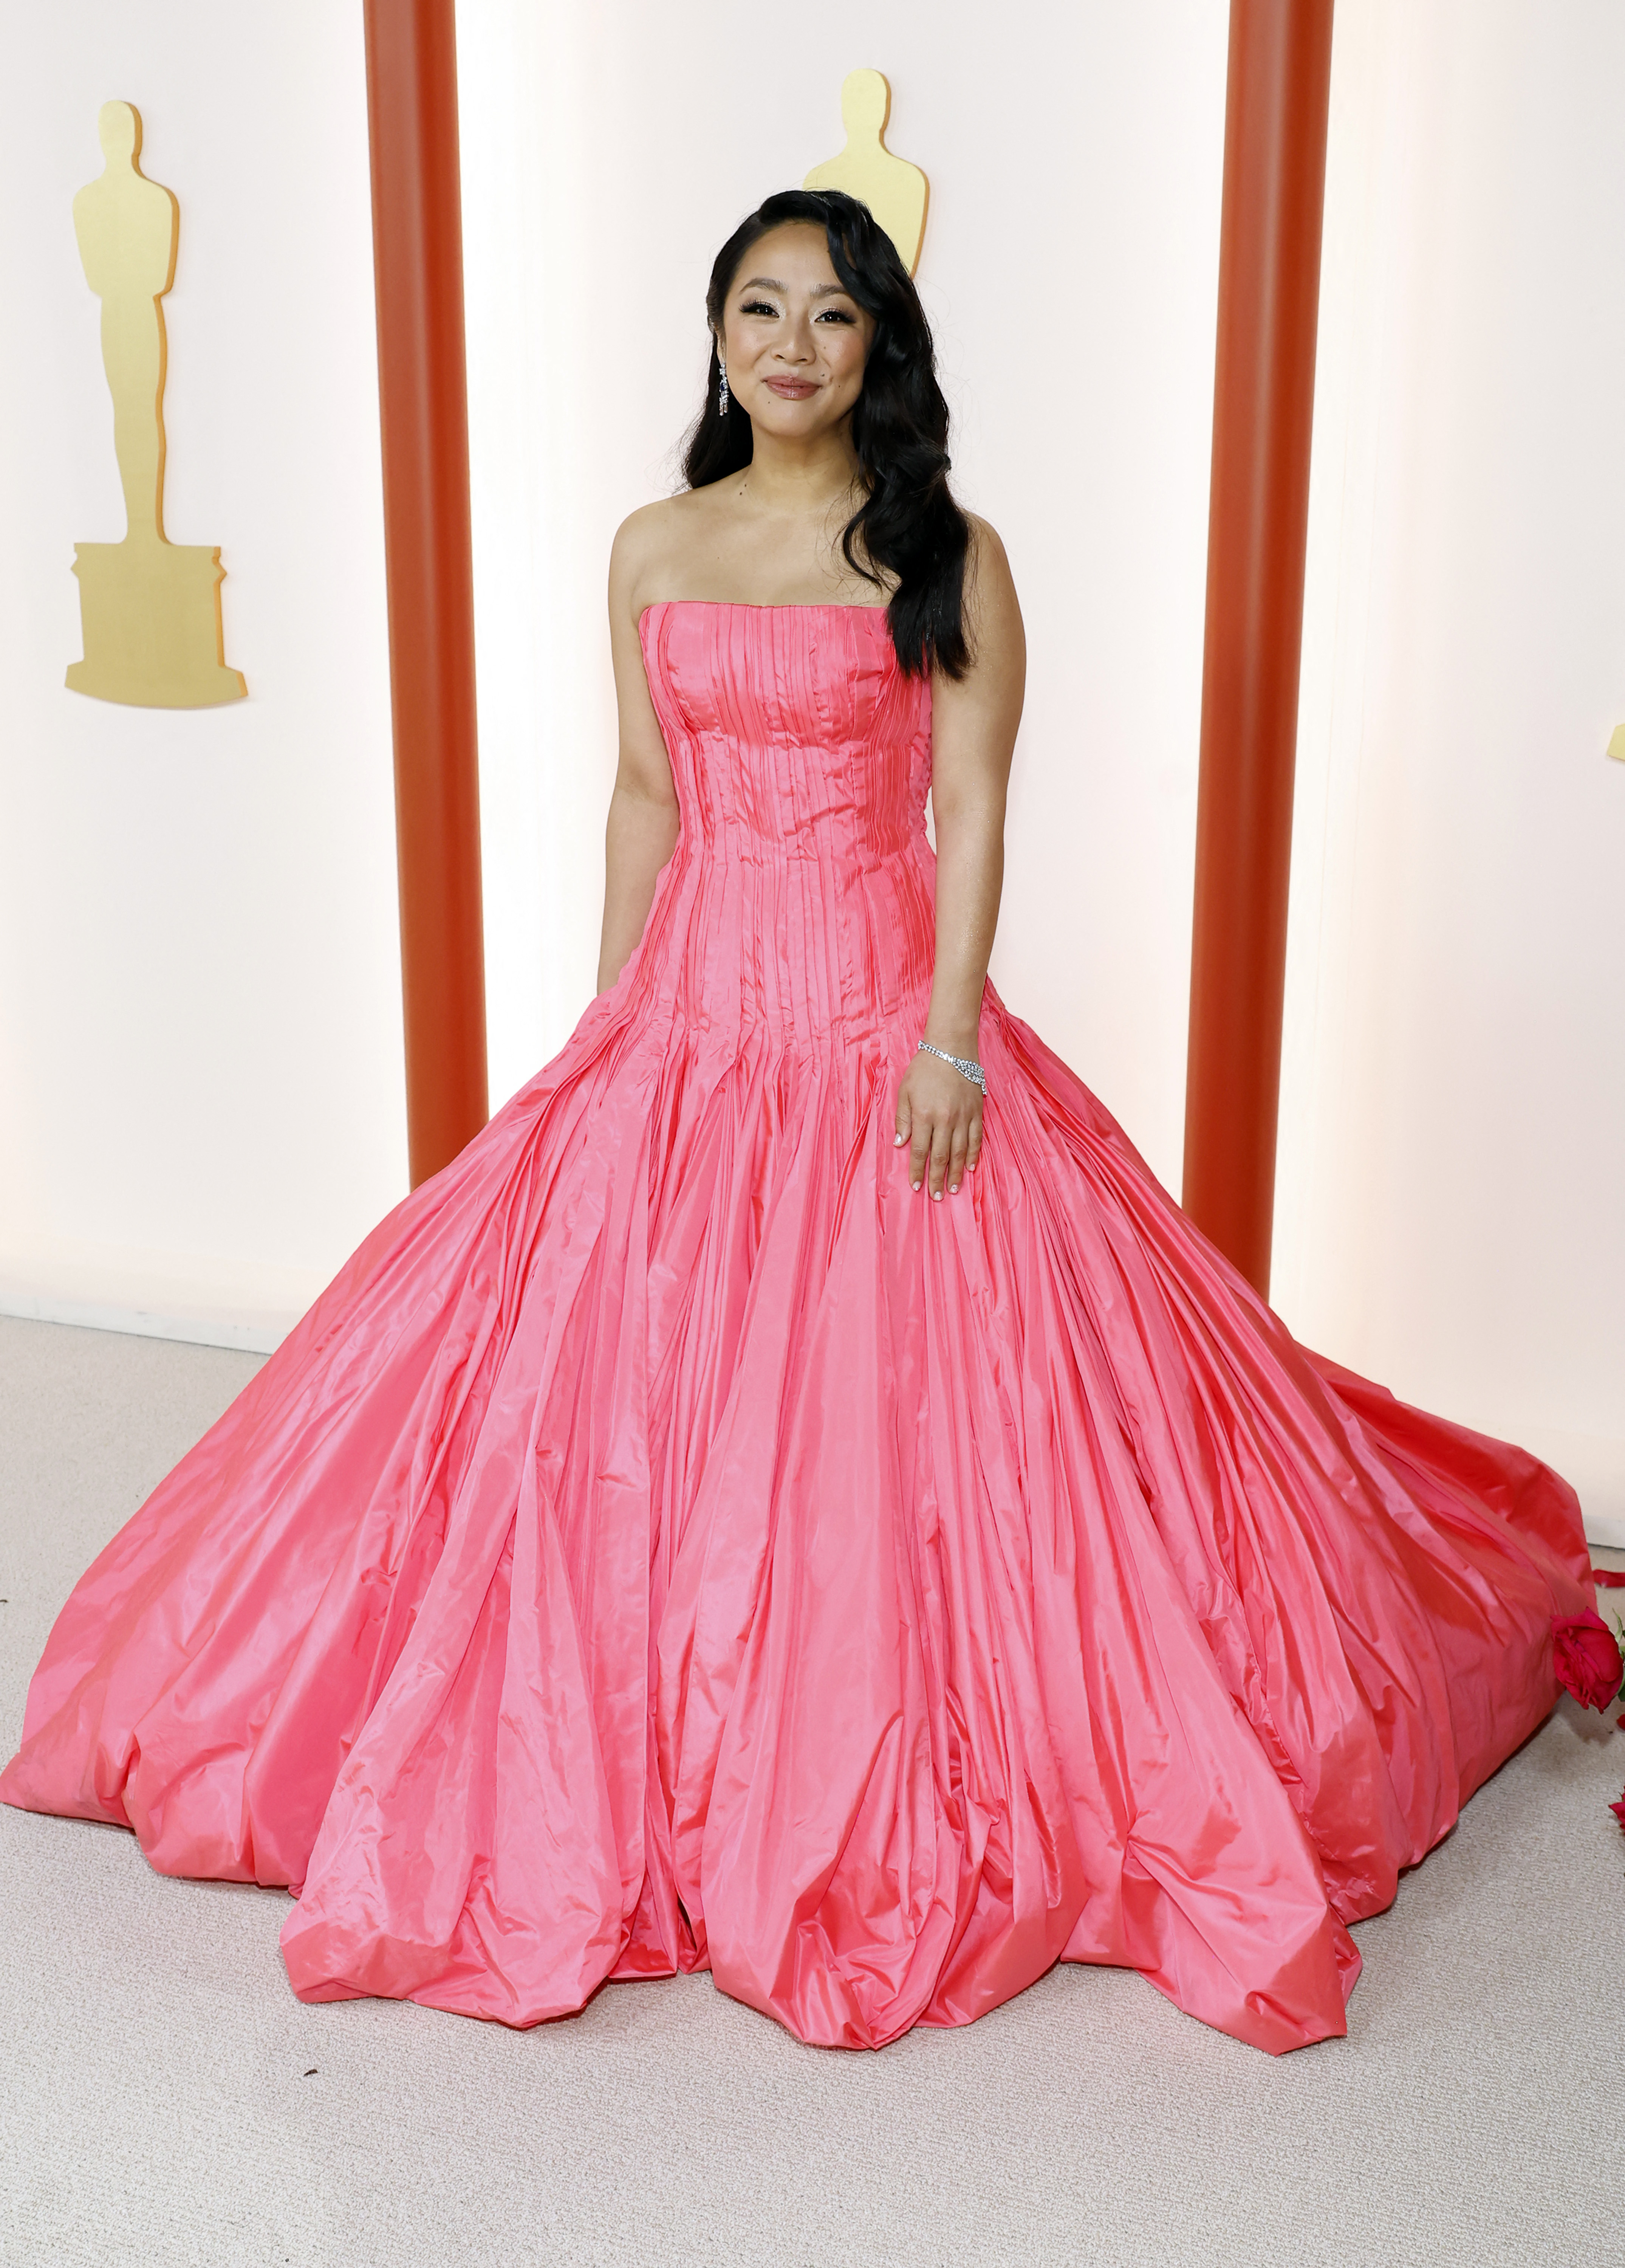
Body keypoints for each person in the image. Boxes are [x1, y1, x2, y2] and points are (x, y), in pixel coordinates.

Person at [2, 190, 1591, 2055]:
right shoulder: (654, 545)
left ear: (877, 352)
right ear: (717, 336)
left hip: (872, 1029)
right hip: (680, 1020)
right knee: (585, 1416)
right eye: (757, 309)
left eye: (829, 318)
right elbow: (636, 796)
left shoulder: (942, 552)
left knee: (928, 1443)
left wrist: (948, 1048)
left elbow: (976, 816)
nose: (788, 344)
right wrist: (604, 1028)